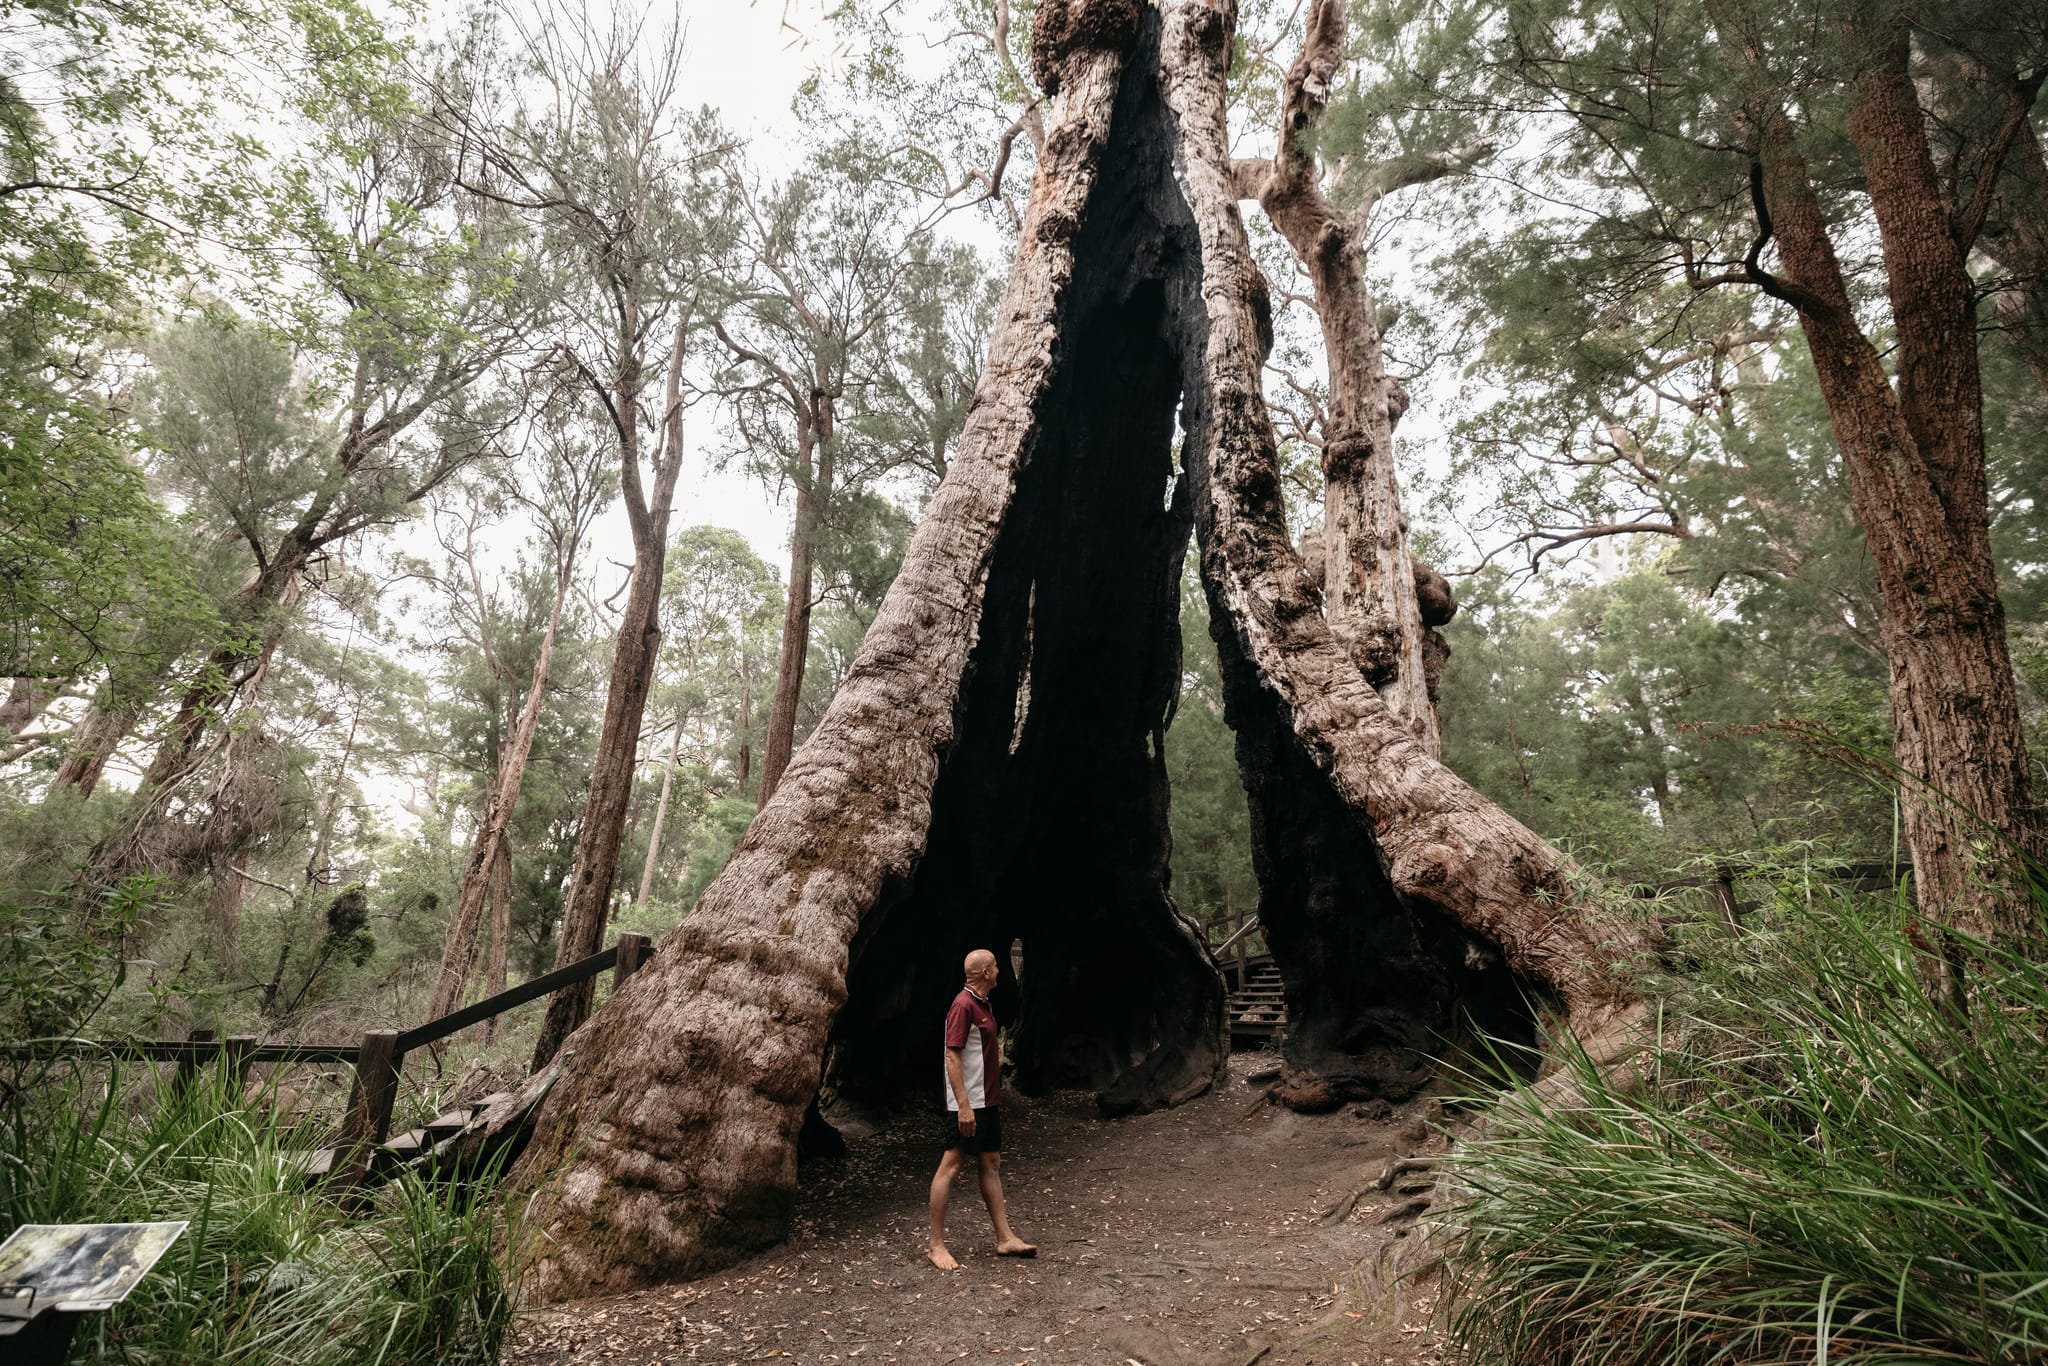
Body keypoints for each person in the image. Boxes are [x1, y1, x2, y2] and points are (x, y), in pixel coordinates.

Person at [927, 948, 1036, 1270]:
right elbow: (951, 1055)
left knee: (990, 1161)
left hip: (986, 1101)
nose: (1000, 970)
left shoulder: (982, 1003)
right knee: (952, 1164)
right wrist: (962, 1106)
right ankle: (935, 1245)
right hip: (968, 1103)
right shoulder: (963, 1006)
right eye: (996, 966)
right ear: (985, 972)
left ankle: (1005, 1238)